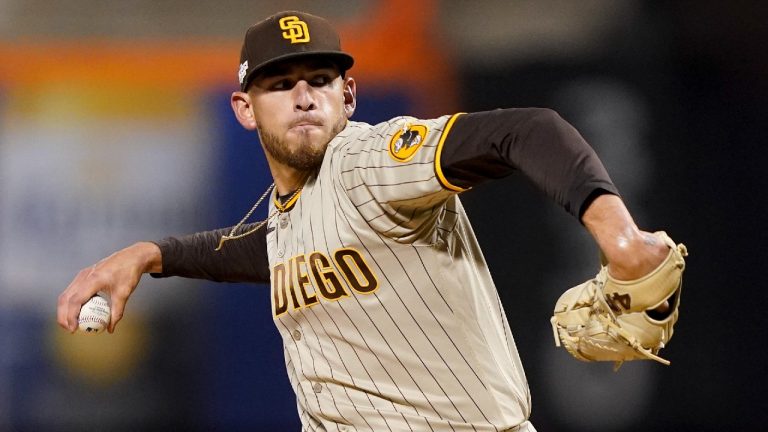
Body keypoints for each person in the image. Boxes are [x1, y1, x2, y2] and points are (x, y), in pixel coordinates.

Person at [57, 10, 674, 431]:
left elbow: (526, 130)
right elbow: (262, 249)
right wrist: (148, 254)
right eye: (280, 83)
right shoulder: (290, 211)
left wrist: (617, 235)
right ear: (245, 109)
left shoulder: (370, 159)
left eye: (320, 80)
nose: (303, 95)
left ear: (348, 97)